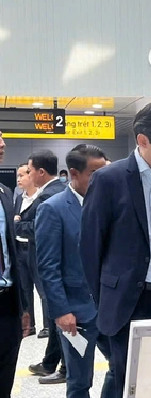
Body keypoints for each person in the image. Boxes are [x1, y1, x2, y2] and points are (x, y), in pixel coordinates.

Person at [81, 101, 151, 398]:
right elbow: (90, 248)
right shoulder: (109, 179)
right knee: (131, 383)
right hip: (128, 301)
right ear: (143, 140)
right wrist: (103, 300)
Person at [35, 145, 119, 398]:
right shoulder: (53, 209)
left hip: (110, 308)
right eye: (96, 173)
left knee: (121, 367)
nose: (103, 178)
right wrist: (60, 311)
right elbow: (48, 267)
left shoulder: (110, 205)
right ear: (75, 174)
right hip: (76, 312)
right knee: (80, 381)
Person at [0, 130, 45, 398]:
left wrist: (23, 305)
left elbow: (11, 253)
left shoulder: (4, 194)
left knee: (2, 388)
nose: (2, 145)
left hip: (5, 304)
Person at [24, 150, 68, 384]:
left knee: (57, 314)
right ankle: (52, 362)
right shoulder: (60, 190)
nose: (27, 176)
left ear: (41, 172)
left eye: (29, 171)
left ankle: (63, 366)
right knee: (54, 315)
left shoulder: (47, 197)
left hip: (52, 264)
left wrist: (17, 224)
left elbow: (36, 229)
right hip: (57, 263)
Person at [13, 164, 38, 337]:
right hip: (19, 249)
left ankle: (48, 327)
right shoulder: (19, 199)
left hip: (34, 247)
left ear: (31, 175)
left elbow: (37, 227)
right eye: (17, 176)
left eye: (22, 175)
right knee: (24, 288)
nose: (18, 179)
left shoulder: (41, 198)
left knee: (42, 288)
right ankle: (31, 325)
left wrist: (17, 224)